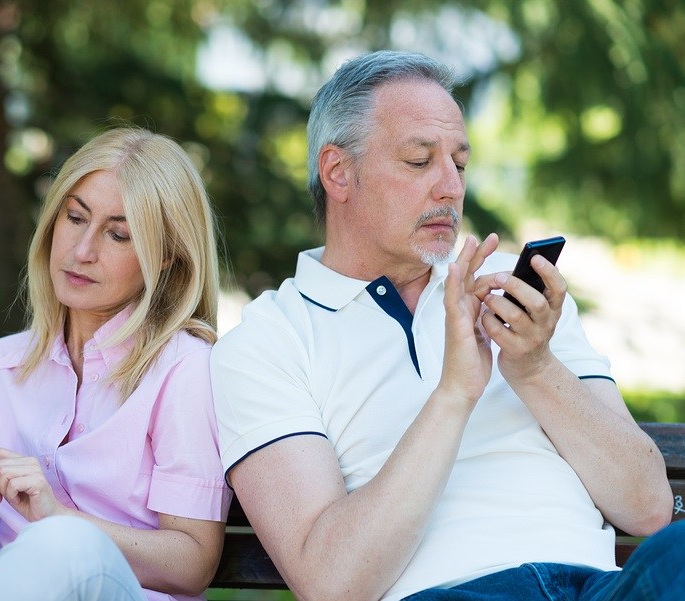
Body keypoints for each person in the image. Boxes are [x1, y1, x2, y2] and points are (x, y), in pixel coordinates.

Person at [209, 50, 684, 601]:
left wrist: (533, 367)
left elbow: (649, 507)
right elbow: (331, 581)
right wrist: (454, 393)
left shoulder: (514, 293)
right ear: (338, 172)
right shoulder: (268, 341)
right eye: (419, 161)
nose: (451, 188)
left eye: (458, 163)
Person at [0, 126, 232, 601]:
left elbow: (191, 564)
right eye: (75, 218)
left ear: (166, 257)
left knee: (62, 544)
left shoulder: (184, 370)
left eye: (119, 234)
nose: (82, 251)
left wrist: (58, 518)